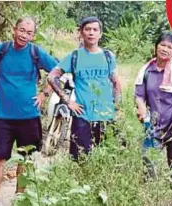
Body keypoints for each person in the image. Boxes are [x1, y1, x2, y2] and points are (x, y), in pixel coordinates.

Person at [0, 17, 58, 206]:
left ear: (33, 35)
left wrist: (44, 94)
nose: (24, 35)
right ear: (14, 30)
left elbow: (57, 70)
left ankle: (19, 199)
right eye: (21, 30)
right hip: (2, 116)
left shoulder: (36, 53)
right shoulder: (1, 50)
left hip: (29, 116)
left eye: (29, 32)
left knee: (26, 158)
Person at [48, 16, 122, 160]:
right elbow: (51, 77)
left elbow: (116, 82)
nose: (91, 33)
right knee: (79, 160)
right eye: (87, 29)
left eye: (95, 30)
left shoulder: (108, 56)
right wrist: (67, 101)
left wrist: (117, 108)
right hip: (82, 116)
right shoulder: (74, 56)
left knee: (107, 160)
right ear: (81, 33)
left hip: (106, 116)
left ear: (100, 34)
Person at [135, 32, 172, 197]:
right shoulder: (147, 71)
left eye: (170, 47)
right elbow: (139, 95)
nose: (165, 49)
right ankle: (151, 197)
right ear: (156, 47)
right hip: (153, 128)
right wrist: (141, 107)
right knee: (148, 161)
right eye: (162, 45)